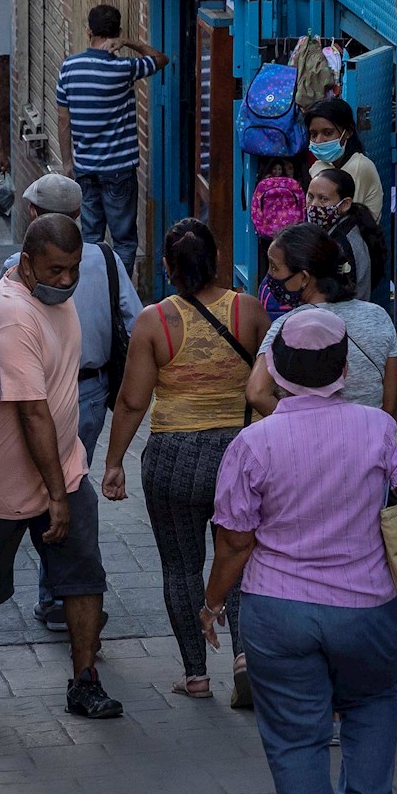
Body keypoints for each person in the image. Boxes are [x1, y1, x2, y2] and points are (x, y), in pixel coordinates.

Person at [204, 309, 397, 794]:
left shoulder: (252, 442)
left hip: (277, 611)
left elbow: (234, 542)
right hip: (366, 607)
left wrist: (210, 604)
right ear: (342, 369)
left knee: (293, 735)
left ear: (278, 370)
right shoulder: (380, 428)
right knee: (372, 704)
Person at [0, 214, 124, 721]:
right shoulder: (13, 315)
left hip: (62, 469)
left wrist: (64, 482)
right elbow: (32, 411)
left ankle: (85, 680)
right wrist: (55, 496)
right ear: (26, 264)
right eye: (56, 269)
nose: (66, 281)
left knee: (84, 578)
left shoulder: (52, 301)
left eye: (73, 270)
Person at [103, 219, 269, 703]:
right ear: (217, 260)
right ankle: (243, 656)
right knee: (237, 556)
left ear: (167, 268)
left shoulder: (154, 322)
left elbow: (132, 401)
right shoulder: (250, 312)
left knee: (180, 567)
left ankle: (195, 674)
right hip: (238, 454)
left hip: (173, 457)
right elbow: (268, 387)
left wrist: (112, 462)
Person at [0, 173, 141, 631]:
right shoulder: (109, 261)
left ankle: (58, 592)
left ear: (33, 214)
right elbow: (136, 325)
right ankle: (61, 590)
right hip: (89, 393)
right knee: (69, 479)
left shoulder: (21, 265)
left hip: (41, 390)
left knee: (56, 485)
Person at [249, 224, 397, 420]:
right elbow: (391, 404)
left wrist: (299, 425)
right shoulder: (379, 316)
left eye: (275, 267)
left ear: (304, 277)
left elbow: (256, 393)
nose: (269, 275)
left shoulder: (288, 325)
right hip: (371, 442)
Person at [57, 4, 166, 273]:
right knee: (124, 241)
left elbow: (63, 120)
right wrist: (129, 41)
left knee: (91, 239)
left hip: (84, 168)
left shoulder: (70, 68)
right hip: (118, 169)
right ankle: (119, 298)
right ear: (116, 32)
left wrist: (67, 163)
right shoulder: (125, 69)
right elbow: (161, 59)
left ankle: (93, 293)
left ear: (89, 31)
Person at [306, 166, 389, 306]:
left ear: (344, 205)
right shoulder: (335, 230)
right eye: (310, 196)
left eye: (323, 199)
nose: (313, 205)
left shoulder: (344, 245)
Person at [305, 98, 385, 220]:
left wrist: (320, 172)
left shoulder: (358, 166)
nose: (319, 141)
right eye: (314, 134)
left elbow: (340, 219)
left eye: (328, 133)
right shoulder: (326, 164)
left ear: (347, 132)